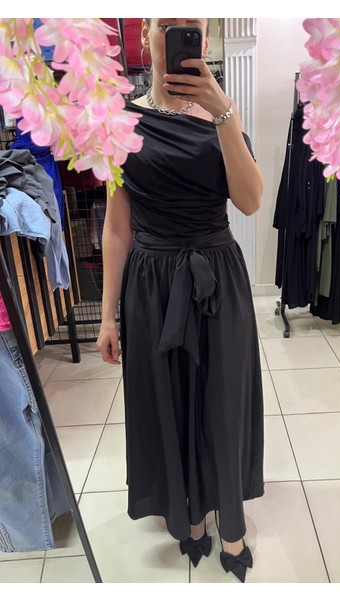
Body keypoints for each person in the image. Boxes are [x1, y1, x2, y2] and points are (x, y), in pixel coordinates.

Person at [97, 18, 264, 583]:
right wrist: (107, 315)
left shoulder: (223, 112)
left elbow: (249, 201)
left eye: (192, 28)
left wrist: (223, 114)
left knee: (223, 399)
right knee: (168, 400)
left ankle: (230, 522)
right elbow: (116, 228)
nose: (180, 36)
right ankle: (188, 515)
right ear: (147, 35)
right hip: (152, 283)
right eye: (168, 26)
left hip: (217, 276)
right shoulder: (120, 121)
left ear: (206, 40)